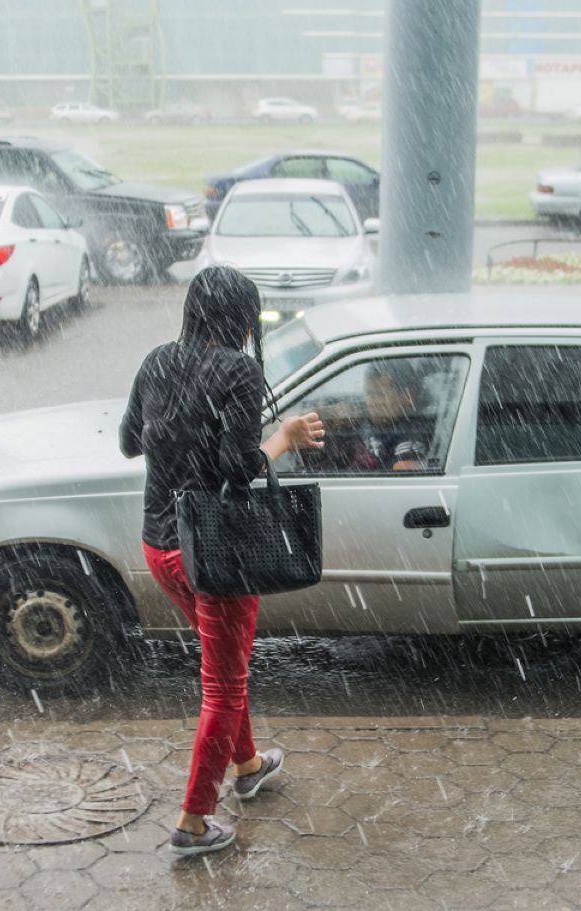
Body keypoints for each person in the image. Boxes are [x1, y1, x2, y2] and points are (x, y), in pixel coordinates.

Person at [119, 265, 325, 857]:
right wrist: (284, 437)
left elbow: (131, 441)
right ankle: (192, 822)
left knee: (222, 668)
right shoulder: (240, 370)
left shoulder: (157, 360)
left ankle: (250, 764)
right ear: (242, 318)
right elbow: (238, 467)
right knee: (225, 689)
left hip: (160, 545)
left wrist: (181, 434)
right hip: (216, 555)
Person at [327, 362, 434, 473]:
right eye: (368, 394)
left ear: (407, 396)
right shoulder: (364, 417)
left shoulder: (411, 436)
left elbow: (403, 482)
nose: (371, 403)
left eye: (380, 395)